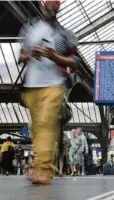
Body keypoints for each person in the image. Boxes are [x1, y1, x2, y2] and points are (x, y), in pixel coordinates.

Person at [18, 0, 80, 184]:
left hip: (55, 84)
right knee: (37, 128)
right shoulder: (30, 29)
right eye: (49, 9)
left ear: (58, 10)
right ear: (43, 8)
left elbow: (75, 62)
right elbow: (21, 56)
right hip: (32, 85)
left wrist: (54, 57)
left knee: (45, 124)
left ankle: (45, 169)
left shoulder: (65, 34)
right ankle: (38, 165)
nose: (52, 13)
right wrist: (30, 54)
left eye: (55, 10)